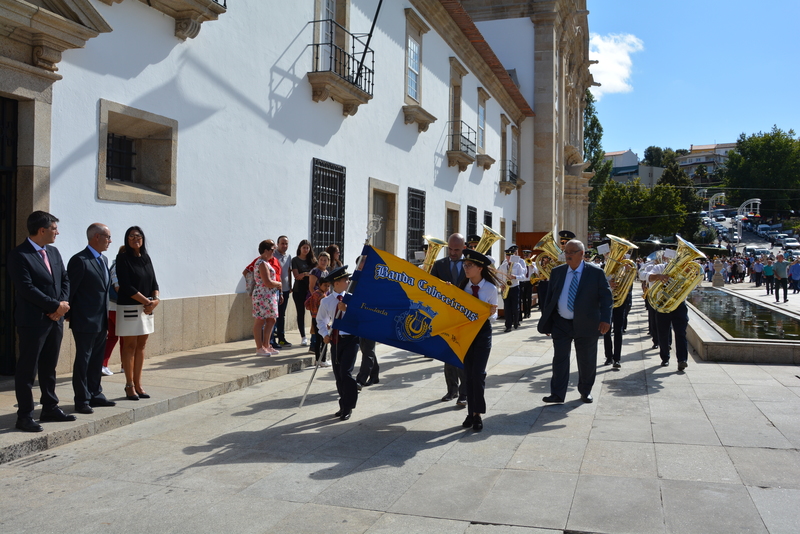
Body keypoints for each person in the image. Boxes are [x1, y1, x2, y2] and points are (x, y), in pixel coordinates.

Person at [7, 211, 74, 432]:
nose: (58, 232)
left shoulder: (53, 252)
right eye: (54, 229)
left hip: (55, 319)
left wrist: (61, 304)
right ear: (42, 230)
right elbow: (26, 289)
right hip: (33, 321)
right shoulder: (19, 255)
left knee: (49, 366)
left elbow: (64, 279)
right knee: (27, 370)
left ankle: (50, 407)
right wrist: (54, 306)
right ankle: (25, 415)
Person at [538, 239, 612, 403]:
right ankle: (557, 394)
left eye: (572, 252)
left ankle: (585, 391)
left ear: (582, 254)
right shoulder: (557, 272)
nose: (568, 255)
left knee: (586, 360)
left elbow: (606, 298)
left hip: (587, 323)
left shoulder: (595, 273)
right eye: (566, 252)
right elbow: (550, 298)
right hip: (561, 323)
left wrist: (606, 319)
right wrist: (548, 321)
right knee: (560, 359)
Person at [67, 223, 116, 414]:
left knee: (97, 360)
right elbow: (70, 291)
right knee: (83, 361)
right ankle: (82, 399)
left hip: (101, 321)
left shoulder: (103, 260)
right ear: (96, 237)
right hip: (84, 321)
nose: (110, 241)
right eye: (108, 237)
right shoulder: (80, 260)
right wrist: (69, 315)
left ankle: (96, 394)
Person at [456, 248, 499, 431]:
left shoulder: (490, 288)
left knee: (478, 374)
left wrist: (491, 313)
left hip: (482, 334)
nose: (466, 268)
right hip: (466, 335)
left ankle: (477, 414)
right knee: (468, 374)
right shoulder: (462, 287)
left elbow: (493, 318)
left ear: (480, 268)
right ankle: (470, 413)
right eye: (464, 265)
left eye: (470, 265)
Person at [115, 226, 160, 400]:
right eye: (132, 236)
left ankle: (139, 384)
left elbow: (154, 282)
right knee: (130, 346)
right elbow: (126, 286)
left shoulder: (146, 258)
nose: (136, 239)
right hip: (130, 307)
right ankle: (129, 385)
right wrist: (147, 302)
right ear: (127, 239)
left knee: (142, 346)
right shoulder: (122, 258)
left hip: (147, 308)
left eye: (138, 236)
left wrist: (155, 300)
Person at [316, 266, 360, 421]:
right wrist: (324, 334)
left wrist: (347, 309)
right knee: (338, 375)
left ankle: (348, 407)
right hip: (335, 340)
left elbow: (359, 318)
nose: (348, 281)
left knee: (346, 373)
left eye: (348, 279)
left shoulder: (352, 298)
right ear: (336, 283)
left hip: (351, 339)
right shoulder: (326, 301)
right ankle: (343, 404)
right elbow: (321, 320)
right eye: (345, 280)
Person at [430, 233, 468, 407]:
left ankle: (464, 393)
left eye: (457, 250)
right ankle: (451, 390)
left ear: (464, 248)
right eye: (450, 249)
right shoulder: (439, 265)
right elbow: (430, 289)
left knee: (462, 356)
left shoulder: (470, 265)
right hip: (444, 317)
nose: (453, 253)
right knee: (448, 355)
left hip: (464, 318)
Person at [649, 262, 690, 371]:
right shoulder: (659, 267)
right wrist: (659, 276)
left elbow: (693, 284)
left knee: (681, 332)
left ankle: (682, 360)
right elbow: (648, 277)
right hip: (663, 303)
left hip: (679, 303)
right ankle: (665, 358)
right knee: (663, 333)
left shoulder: (684, 268)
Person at [252, 240, 282, 356]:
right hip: (262, 295)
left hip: (269, 295)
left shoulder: (266, 262)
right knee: (260, 320)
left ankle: (266, 345)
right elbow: (267, 282)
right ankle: (259, 347)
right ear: (265, 251)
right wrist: (278, 284)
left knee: (271, 319)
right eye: (272, 250)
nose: (273, 253)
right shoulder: (261, 263)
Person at [101, 247, 124, 376]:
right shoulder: (118, 267)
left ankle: (103, 364)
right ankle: (125, 365)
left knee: (112, 337)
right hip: (117, 308)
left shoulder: (113, 266)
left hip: (111, 307)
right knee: (124, 338)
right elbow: (117, 288)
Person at [292, 239, 316, 346]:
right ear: (300, 248)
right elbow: (297, 276)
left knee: (314, 313)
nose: (305, 250)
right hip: (299, 291)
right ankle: (303, 337)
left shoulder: (313, 261)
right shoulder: (295, 260)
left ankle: (314, 335)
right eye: (304, 247)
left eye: (307, 248)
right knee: (300, 313)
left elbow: (316, 274)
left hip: (311, 290)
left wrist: (305, 273)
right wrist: (309, 274)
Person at [499, 248, 526, 332]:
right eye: (507, 255)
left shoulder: (517, 265)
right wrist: (501, 285)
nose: (509, 257)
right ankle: (508, 326)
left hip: (514, 287)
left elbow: (523, 277)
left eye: (510, 256)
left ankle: (516, 321)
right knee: (507, 308)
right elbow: (499, 277)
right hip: (506, 288)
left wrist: (515, 277)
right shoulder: (503, 266)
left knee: (515, 307)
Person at [306, 277, 331, 366]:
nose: (327, 288)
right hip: (321, 319)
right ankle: (323, 360)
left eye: (328, 286)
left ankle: (317, 360)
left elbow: (307, 303)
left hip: (314, 318)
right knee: (324, 339)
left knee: (317, 340)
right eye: (325, 285)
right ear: (319, 285)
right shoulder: (323, 297)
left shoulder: (314, 293)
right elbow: (325, 311)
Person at [273, 235, 293, 348]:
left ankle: (281, 338)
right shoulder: (273, 255)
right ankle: (271, 339)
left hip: (285, 289)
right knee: (274, 315)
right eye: (282, 243)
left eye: (286, 244)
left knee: (281, 315)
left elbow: (288, 271)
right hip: (275, 290)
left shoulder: (288, 257)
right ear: (278, 244)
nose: (284, 246)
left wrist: (290, 285)